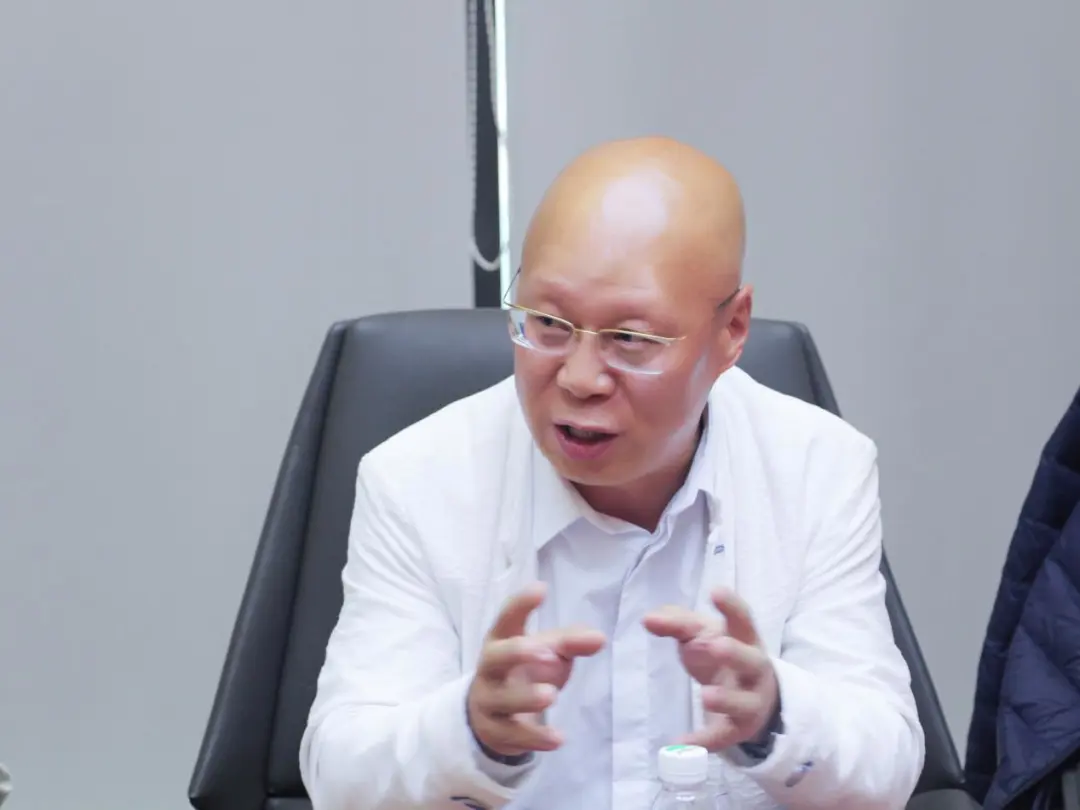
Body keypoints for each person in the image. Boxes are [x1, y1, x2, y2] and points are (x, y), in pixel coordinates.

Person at [299, 136, 925, 810]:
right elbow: (340, 772)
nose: (579, 378)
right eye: (547, 323)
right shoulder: (418, 479)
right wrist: (470, 733)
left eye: (631, 339)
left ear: (732, 330)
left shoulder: (817, 467)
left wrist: (776, 716)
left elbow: (886, 764)